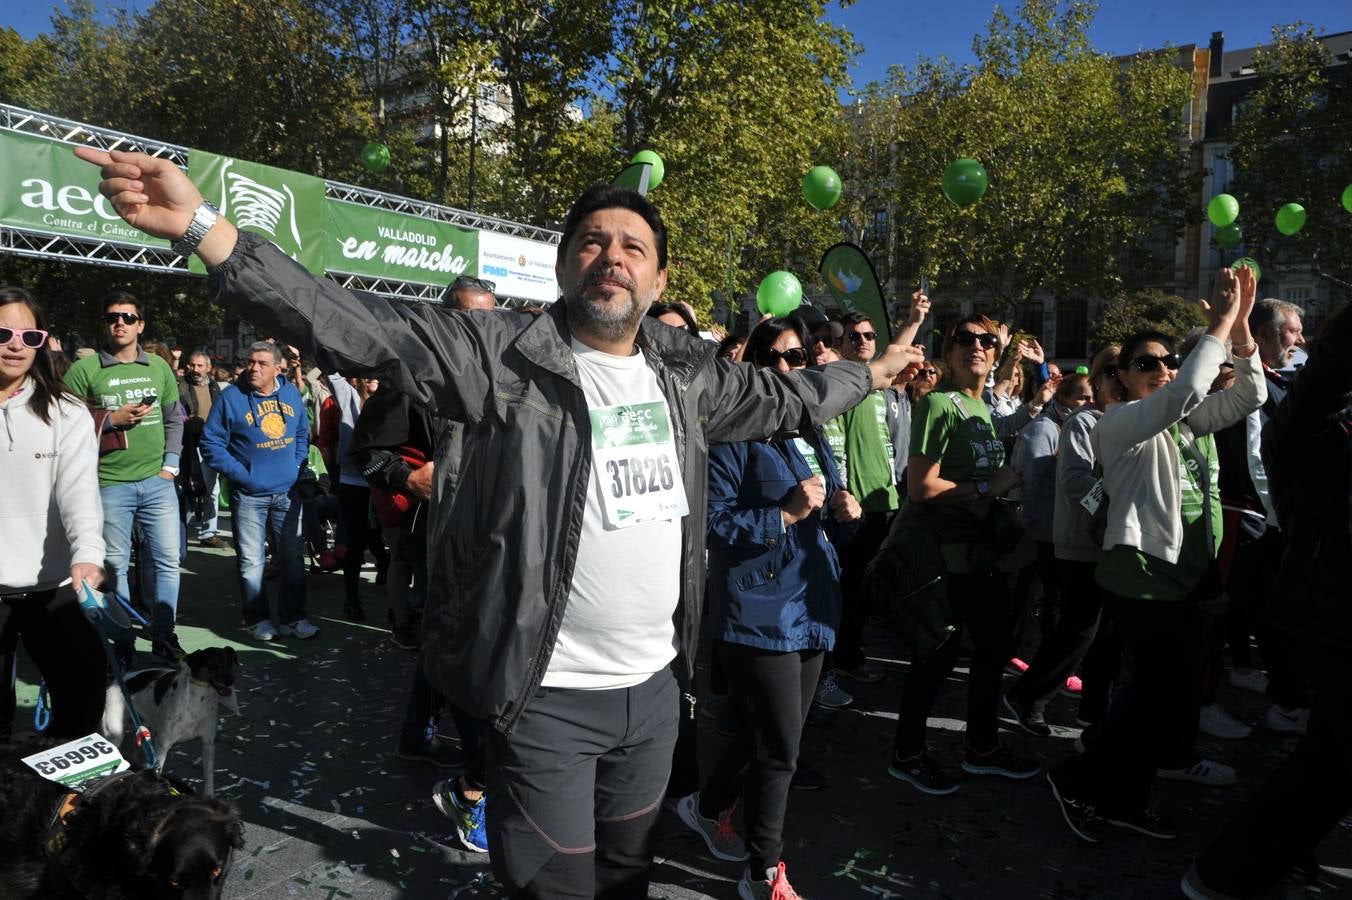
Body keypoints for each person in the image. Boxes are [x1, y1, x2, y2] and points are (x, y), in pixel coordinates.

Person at [75, 147, 924, 900]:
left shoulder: (688, 376)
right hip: (544, 696)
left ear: (659, 281)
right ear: (563, 265)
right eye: (593, 240)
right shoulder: (495, 355)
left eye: (634, 247)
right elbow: (353, 326)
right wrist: (206, 231)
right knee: (554, 883)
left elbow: (792, 396)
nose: (613, 257)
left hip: (659, 695)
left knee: (627, 877)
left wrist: (873, 371)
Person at [1046, 267, 1265, 844]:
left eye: (1168, 360)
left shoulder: (1187, 426)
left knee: (1169, 701)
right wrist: (1217, 321)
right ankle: (1078, 777)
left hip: (1188, 577)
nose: (1162, 369)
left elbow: (1251, 393)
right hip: (1141, 577)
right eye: (1146, 362)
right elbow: (1189, 388)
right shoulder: (1118, 424)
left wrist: (1241, 330)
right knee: (1152, 698)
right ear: (1118, 379)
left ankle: (1124, 796)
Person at [677, 316, 864, 899]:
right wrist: (781, 513)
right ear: (750, 363)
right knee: (782, 749)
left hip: (813, 601)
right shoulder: (731, 432)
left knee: (771, 732)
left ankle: (704, 807)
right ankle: (764, 871)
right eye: (773, 356)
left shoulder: (806, 430)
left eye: (796, 357)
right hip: (760, 610)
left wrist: (841, 510)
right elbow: (712, 523)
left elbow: (822, 518)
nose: (786, 367)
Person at [1182, 303, 1351, 899]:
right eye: (1293, 333)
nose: (1300, 342)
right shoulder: (1311, 422)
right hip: (1274, 550)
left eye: (1308, 335)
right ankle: (1228, 870)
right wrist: (1233, 328)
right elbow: (1257, 436)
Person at [886, 313, 1041, 795]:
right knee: (936, 657)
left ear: (996, 353)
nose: (976, 346)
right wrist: (986, 486)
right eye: (965, 339)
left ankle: (982, 749)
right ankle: (907, 754)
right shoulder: (938, 404)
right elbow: (920, 487)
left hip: (978, 556)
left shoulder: (980, 410)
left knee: (992, 650)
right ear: (949, 351)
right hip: (942, 557)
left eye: (987, 341)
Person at [0, 287, 107, 741]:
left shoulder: (67, 411)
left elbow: (79, 491)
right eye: (4, 331)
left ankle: (62, 805)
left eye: (30, 335)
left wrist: (88, 553)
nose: (16, 345)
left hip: (58, 585)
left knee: (84, 703)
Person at [64, 290, 185, 661]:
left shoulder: (159, 368)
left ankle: (164, 634)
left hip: (157, 482)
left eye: (128, 317)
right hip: (109, 484)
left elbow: (174, 419)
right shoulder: (85, 370)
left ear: (140, 325)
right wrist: (108, 420)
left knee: (167, 561)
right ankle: (123, 642)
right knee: (115, 565)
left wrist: (170, 466)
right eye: (113, 317)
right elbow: (60, 421)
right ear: (104, 324)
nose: (120, 323)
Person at [820, 296, 930, 700]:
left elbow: (896, 355)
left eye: (870, 335)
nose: (864, 341)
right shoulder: (844, 384)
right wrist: (842, 493)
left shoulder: (879, 386)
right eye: (855, 336)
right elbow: (835, 447)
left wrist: (915, 319)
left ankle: (850, 653)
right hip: (856, 508)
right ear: (842, 344)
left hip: (886, 503)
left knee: (867, 591)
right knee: (848, 592)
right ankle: (842, 660)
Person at [200, 341, 316, 641]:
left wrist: (295, 465)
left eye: (262, 363)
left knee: (292, 558)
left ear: (279, 368)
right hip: (249, 495)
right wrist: (243, 475)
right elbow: (210, 443)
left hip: (287, 492)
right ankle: (257, 620)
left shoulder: (291, 393)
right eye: (250, 361)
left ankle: (293, 619)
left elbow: (303, 432)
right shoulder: (231, 398)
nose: (253, 368)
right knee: (252, 561)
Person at [1001, 371, 1095, 734]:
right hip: (1046, 534)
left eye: (1090, 398)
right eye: (1082, 398)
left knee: (1048, 604)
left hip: (1057, 532)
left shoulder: (1074, 427)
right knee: (1047, 604)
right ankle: (1028, 673)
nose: (1087, 405)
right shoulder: (1046, 430)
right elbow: (1034, 486)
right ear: (1066, 399)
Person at [179, 349, 225, 548]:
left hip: (210, 444)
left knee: (212, 490)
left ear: (208, 368)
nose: (195, 369)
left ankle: (208, 533)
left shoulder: (215, 387)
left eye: (200, 365)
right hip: (186, 444)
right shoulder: (180, 386)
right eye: (192, 365)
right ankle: (180, 533)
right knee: (187, 489)